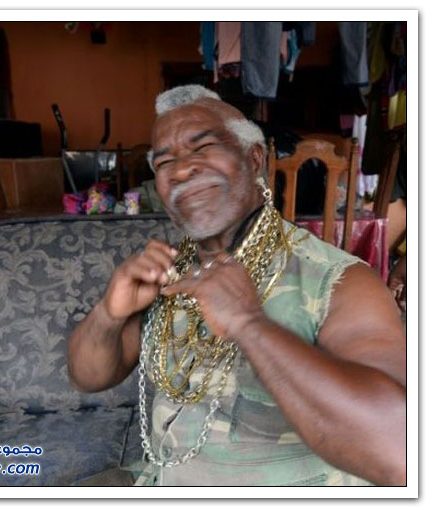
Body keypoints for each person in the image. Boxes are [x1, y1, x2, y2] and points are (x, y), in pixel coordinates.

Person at [67, 85, 406, 486]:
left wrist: (249, 324)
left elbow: (400, 451)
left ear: (254, 158)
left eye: (203, 147)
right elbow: (88, 377)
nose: (181, 170)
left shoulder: (338, 281)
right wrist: (109, 313)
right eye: (165, 162)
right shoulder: (167, 273)